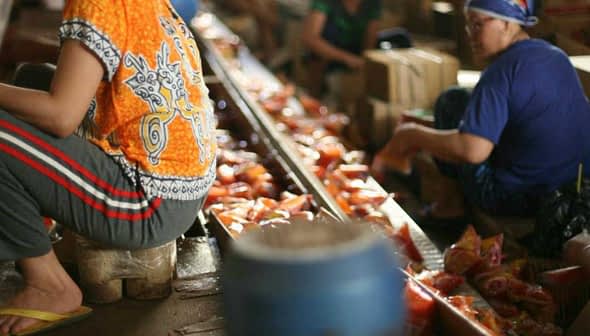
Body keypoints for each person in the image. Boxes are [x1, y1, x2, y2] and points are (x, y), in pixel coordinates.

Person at [0, 0, 216, 334]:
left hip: (148, 202)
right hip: (182, 190)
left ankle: (50, 286)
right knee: (31, 78)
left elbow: (60, 116)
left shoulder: (96, 3)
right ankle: (42, 232)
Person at [372, 0, 590, 220]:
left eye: (477, 25)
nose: (470, 34)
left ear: (507, 24)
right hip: (571, 192)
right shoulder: (556, 56)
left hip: (520, 199)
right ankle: (448, 200)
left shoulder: (500, 71)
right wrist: (428, 129)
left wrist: (410, 135)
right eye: (468, 26)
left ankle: (449, 204)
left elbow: (472, 151)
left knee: (450, 104)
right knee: (458, 99)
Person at [301, 0, 382, 98]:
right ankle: (316, 95)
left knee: (399, 37)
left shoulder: (373, 3)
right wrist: (348, 59)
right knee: (327, 35)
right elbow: (310, 38)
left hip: (356, 49)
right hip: (331, 52)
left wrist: (365, 61)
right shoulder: (325, 3)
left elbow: (370, 42)